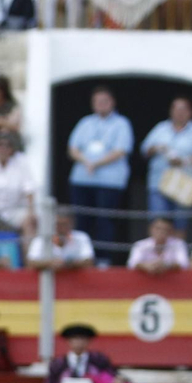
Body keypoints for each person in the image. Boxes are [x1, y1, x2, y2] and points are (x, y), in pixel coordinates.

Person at [67, 85, 134, 260]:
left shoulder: (121, 124)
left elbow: (121, 150)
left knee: (105, 220)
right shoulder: (85, 122)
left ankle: (104, 258)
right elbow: (72, 148)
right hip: (82, 179)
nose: (101, 104)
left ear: (112, 102)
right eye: (98, 101)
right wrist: (86, 161)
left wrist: (96, 163)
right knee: (82, 220)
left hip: (110, 181)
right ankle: (81, 257)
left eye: (105, 101)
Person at [141, 97, 192, 229]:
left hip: (184, 183)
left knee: (180, 224)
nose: (179, 112)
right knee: (158, 222)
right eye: (176, 109)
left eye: (183, 109)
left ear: (190, 112)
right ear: (171, 111)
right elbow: (144, 150)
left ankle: (178, 250)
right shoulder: (160, 128)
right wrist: (157, 148)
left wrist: (183, 161)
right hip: (158, 183)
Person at [44, 324, 126, 383]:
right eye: (75, 339)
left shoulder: (99, 360)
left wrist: (118, 381)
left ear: (88, 341)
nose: (79, 342)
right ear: (68, 341)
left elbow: (114, 375)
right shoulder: (58, 364)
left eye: (82, 338)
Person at [27, 208, 94, 271]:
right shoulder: (41, 239)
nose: (60, 228)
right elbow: (30, 263)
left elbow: (89, 261)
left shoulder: (81, 237)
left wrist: (68, 263)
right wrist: (50, 263)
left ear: (71, 224)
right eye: (58, 224)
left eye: (64, 224)